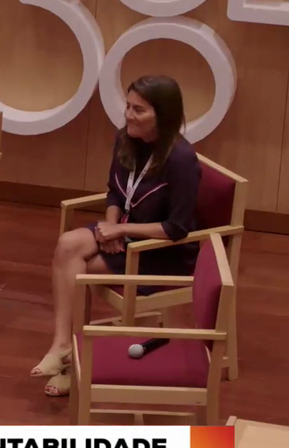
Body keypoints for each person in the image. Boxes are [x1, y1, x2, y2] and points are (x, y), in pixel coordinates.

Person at [33, 75, 201, 396]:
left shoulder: (182, 159)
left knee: (78, 270)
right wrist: (108, 229)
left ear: (163, 115)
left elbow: (177, 228)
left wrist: (120, 229)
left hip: (160, 252)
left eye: (139, 110)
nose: (128, 115)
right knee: (67, 245)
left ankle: (74, 364)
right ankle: (63, 344)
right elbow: (115, 193)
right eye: (128, 106)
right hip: (125, 233)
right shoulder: (125, 139)